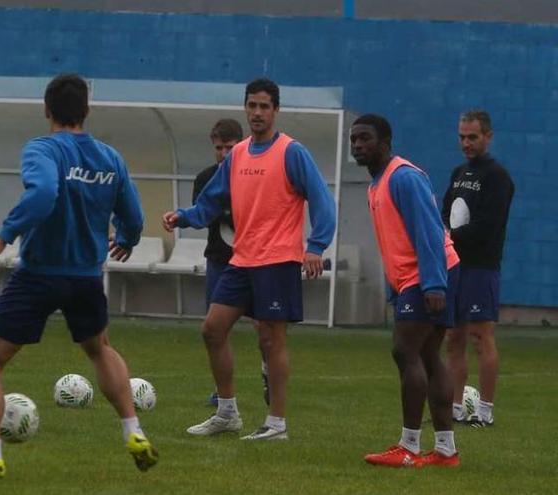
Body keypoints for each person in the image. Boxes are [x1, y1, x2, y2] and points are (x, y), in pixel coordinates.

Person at [0, 73, 156, 479]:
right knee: (100, 348)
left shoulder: (42, 149)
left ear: (47, 110)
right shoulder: (109, 158)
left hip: (39, 274)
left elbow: (44, 193)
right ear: (86, 111)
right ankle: (133, 431)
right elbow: (133, 215)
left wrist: (3, 237)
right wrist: (129, 237)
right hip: (85, 276)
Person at [162, 78, 336, 441]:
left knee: (272, 340)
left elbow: (322, 201)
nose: (257, 112)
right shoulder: (238, 153)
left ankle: (276, 424)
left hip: (278, 260)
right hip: (242, 260)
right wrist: (184, 216)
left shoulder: (292, 152)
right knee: (212, 329)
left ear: (276, 111)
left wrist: (316, 246)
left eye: (264, 106)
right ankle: (227, 413)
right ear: (245, 108)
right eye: (252, 106)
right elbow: (210, 201)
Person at [350, 114, 460, 467]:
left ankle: (408, 446)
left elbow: (428, 230)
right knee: (428, 356)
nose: (357, 145)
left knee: (405, 351)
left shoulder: (404, 177)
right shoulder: (377, 183)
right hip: (417, 278)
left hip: (430, 275)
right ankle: (445, 450)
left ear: (386, 142)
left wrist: (433, 283)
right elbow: (393, 241)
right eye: (354, 140)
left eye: (364, 138)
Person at [442, 110, 514, 428]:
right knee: (453, 337)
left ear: (488, 136)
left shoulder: (497, 176)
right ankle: (456, 407)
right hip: (455, 266)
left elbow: (488, 225)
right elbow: (446, 211)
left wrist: (452, 235)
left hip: (481, 267)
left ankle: (484, 410)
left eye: (472, 137)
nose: (466, 143)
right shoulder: (459, 173)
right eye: (462, 137)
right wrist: (443, 235)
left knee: (480, 336)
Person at [195, 118, 271, 408]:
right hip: (219, 260)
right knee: (215, 329)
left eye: (229, 147)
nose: (224, 154)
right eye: (218, 148)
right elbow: (206, 214)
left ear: (241, 144)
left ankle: (267, 371)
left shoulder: (256, 173)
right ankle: (221, 391)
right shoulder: (205, 179)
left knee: (264, 326)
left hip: (255, 261)